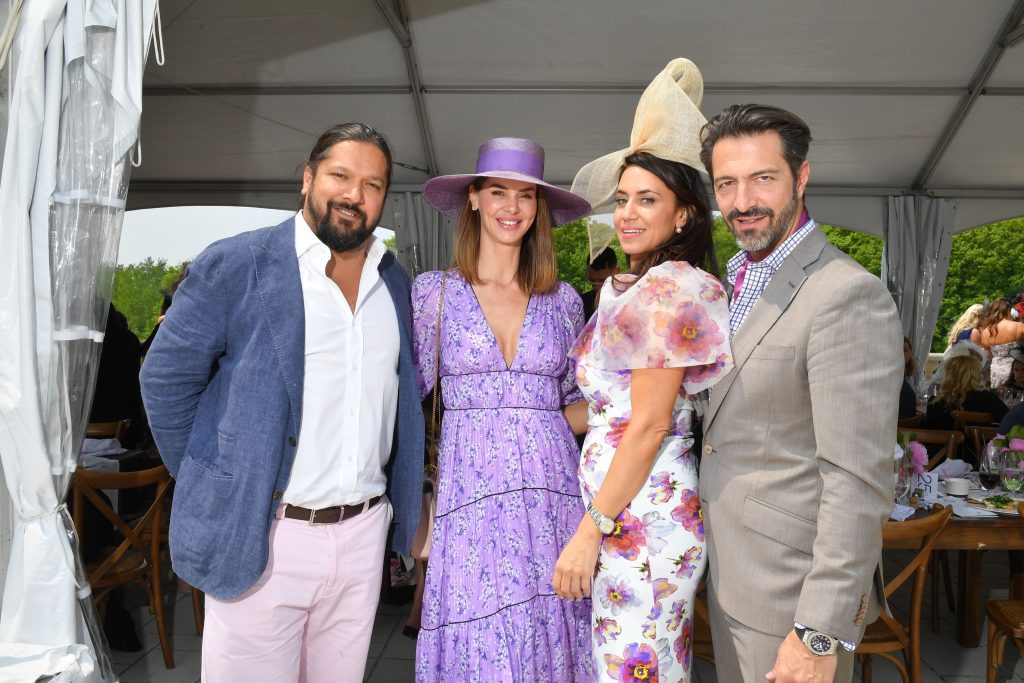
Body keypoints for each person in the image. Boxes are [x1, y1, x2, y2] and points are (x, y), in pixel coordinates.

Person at [140, 122, 422, 683]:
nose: (354, 194)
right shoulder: (236, 264)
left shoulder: (395, 283)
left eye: (372, 184)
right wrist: (219, 481)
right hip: (265, 535)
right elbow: (166, 381)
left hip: (363, 536)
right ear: (308, 178)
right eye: (340, 175)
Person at [697, 103, 903, 683]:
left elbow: (857, 479)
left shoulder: (845, 294)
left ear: (801, 177)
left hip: (790, 596)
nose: (742, 202)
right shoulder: (734, 280)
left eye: (762, 178)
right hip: (732, 573)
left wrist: (818, 631)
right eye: (726, 184)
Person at [554, 58, 734, 682]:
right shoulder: (644, 285)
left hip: (640, 519)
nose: (627, 213)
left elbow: (651, 424)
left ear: (684, 214)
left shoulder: (668, 291)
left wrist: (591, 531)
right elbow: (612, 408)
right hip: (627, 510)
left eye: (647, 200)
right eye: (623, 198)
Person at [412, 137, 593, 680]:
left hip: (553, 499)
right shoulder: (433, 294)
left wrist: (638, 396)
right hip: (469, 503)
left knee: (549, 637)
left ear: (538, 208)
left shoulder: (564, 300)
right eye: (498, 192)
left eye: (525, 195)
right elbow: (402, 408)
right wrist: (415, 509)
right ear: (473, 198)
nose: (512, 207)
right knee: (480, 645)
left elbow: (579, 405)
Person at [926, 342, 1008, 430]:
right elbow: (1011, 421)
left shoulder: (935, 402)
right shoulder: (987, 399)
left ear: (949, 373)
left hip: (942, 439)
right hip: (981, 439)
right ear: (975, 375)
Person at [971, 299, 1024, 387]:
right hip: (1017, 371)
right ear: (1008, 311)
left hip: (997, 372)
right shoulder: (1018, 326)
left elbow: (990, 355)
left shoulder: (985, 332)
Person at [581, 246, 620, 320]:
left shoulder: (628, 300)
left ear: (617, 271)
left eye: (603, 281)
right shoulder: (582, 304)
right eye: (592, 280)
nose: (597, 288)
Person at [900, 336, 918, 419]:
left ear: (910, 353)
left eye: (905, 350)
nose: (902, 354)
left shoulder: (908, 377)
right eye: (899, 350)